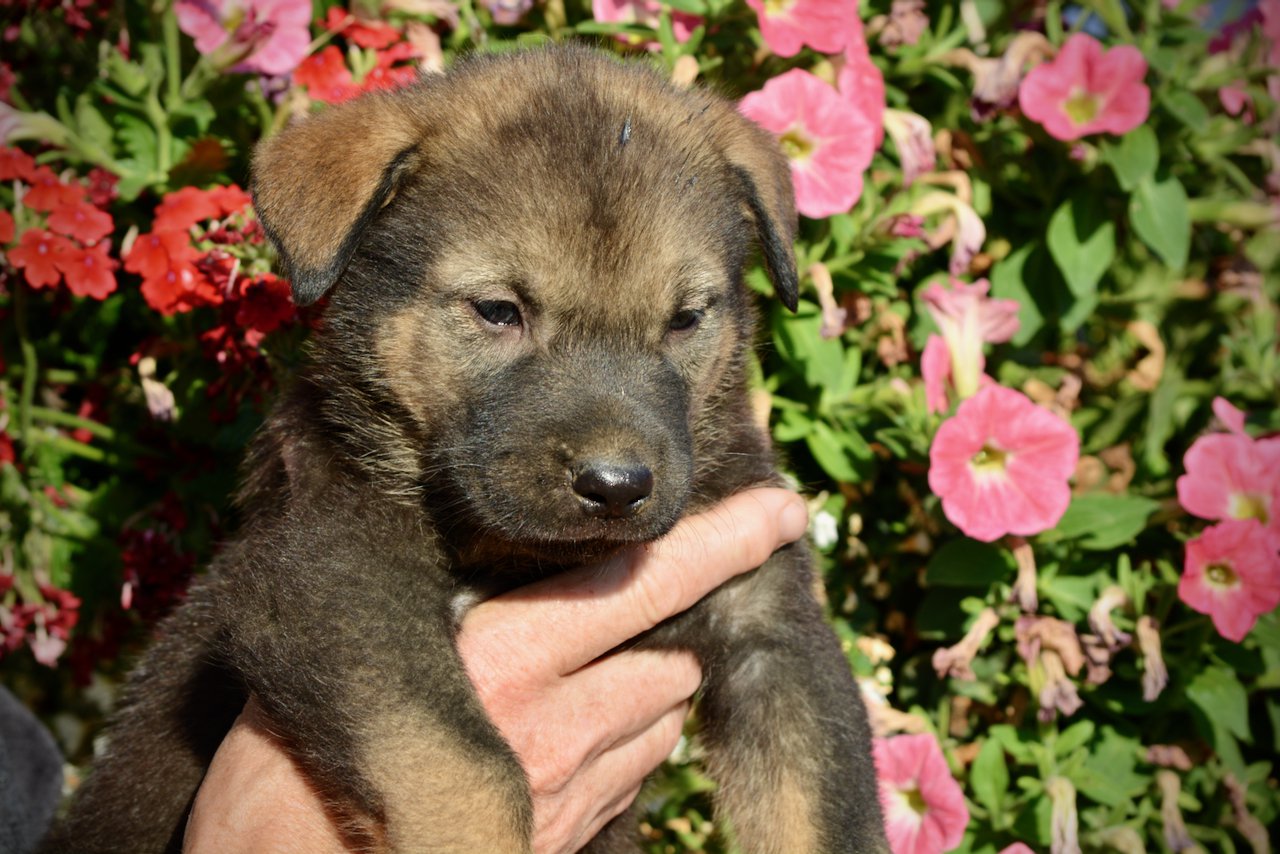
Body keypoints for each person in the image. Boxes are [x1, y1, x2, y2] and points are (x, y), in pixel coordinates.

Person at [184, 487, 808, 854]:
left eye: (682, 322)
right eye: (498, 313)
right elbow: (315, 596)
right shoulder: (367, 501)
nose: (615, 460)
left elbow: (787, 686)